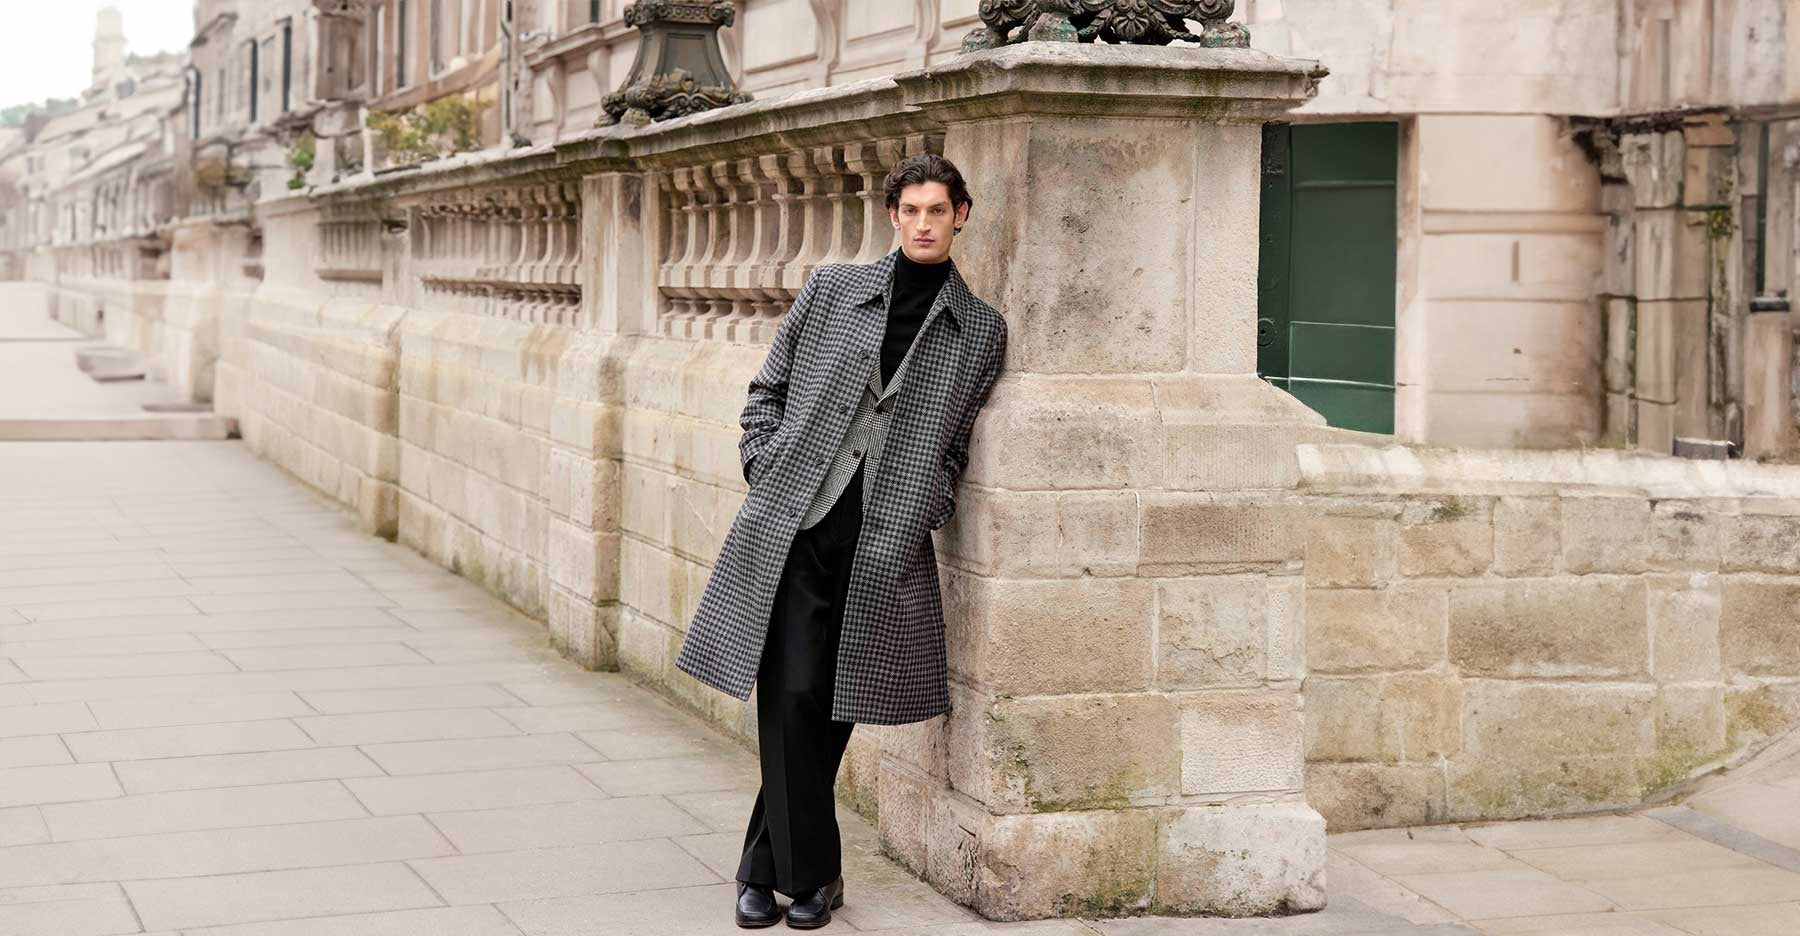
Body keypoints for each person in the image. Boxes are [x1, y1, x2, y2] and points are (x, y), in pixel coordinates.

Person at [675, 153, 1008, 929]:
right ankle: (814, 876)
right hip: (796, 524)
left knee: (832, 707)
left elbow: (956, 445)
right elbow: (767, 390)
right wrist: (765, 464)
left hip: (884, 540)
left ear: (961, 216)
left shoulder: (980, 331)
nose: (923, 224)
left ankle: (765, 869)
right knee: (789, 693)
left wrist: (928, 503)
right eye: (911, 210)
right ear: (892, 216)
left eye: (938, 210)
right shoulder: (832, 290)